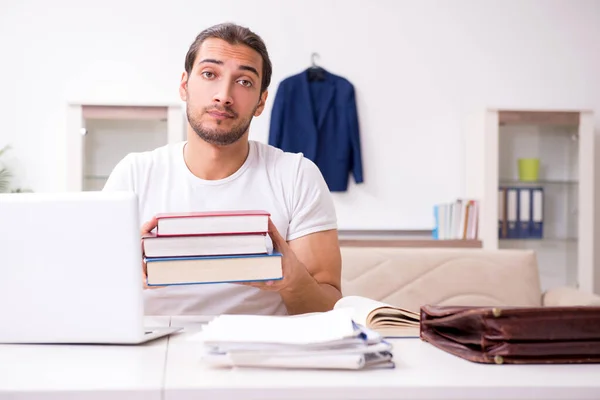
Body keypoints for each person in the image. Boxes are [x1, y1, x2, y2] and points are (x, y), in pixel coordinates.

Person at [103, 22, 342, 316]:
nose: (224, 95)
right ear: (184, 86)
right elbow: (91, 293)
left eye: (244, 81)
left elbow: (330, 309)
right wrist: (122, 271)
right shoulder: (134, 174)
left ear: (261, 102)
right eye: (209, 74)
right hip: (152, 352)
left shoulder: (296, 175)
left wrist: (291, 280)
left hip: (260, 353)